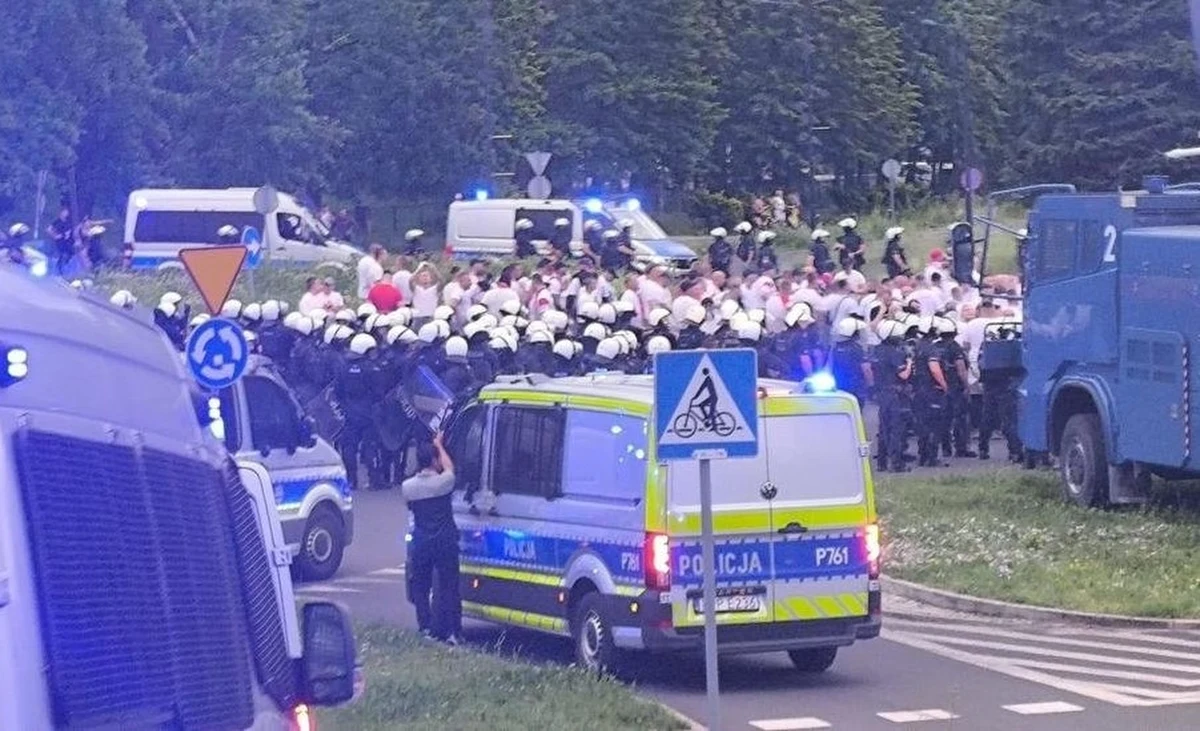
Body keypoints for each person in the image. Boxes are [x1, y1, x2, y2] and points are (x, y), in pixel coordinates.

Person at [403, 431, 461, 643]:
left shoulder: (407, 487)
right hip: (445, 541)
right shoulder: (444, 482)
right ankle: (449, 630)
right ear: (435, 459)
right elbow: (449, 468)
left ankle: (425, 628)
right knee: (449, 587)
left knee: (420, 587)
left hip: (421, 542)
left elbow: (411, 508)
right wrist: (439, 444)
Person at [46, 205, 75, 276]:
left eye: (66, 212)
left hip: (64, 242)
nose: (65, 213)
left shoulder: (68, 223)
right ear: (61, 212)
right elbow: (49, 229)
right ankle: (52, 271)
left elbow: (68, 233)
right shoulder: (56, 221)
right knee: (55, 255)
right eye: (64, 212)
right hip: (56, 242)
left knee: (64, 256)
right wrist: (54, 235)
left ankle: (61, 271)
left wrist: (64, 235)